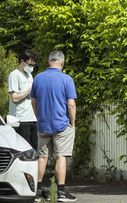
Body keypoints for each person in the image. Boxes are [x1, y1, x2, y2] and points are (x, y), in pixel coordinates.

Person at [30, 50, 77, 202]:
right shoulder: (66, 79)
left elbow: (33, 102)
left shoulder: (38, 78)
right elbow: (71, 104)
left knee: (42, 157)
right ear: (62, 62)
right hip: (61, 125)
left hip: (43, 124)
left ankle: (37, 193)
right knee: (61, 156)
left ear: (49, 61)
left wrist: (39, 117)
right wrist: (73, 122)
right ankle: (62, 193)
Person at [8, 50, 38, 149]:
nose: (31, 67)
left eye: (33, 65)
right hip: (21, 120)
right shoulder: (14, 75)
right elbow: (14, 98)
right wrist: (28, 92)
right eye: (29, 64)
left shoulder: (29, 76)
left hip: (33, 118)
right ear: (22, 61)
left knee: (34, 150)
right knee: (24, 151)